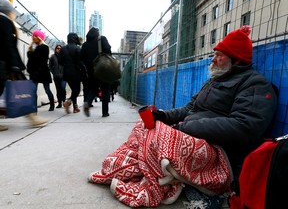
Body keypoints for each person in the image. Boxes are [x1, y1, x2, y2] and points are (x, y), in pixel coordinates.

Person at [87, 26, 278, 207]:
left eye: (219, 56)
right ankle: (131, 167)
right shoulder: (214, 81)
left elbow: (244, 126)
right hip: (194, 136)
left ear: (236, 60)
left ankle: (159, 181)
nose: (213, 59)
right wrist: (161, 116)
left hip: (221, 154)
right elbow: (188, 109)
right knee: (146, 126)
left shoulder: (255, 85)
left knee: (163, 139)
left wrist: (185, 128)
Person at [0, 0, 48, 131]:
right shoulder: (4, 21)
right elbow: (9, 46)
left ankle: (32, 117)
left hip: (7, 64)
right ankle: (32, 117)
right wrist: (16, 65)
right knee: (24, 91)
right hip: (7, 64)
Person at [80, 27, 112, 117]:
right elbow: (108, 50)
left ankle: (87, 102)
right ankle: (105, 112)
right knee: (105, 90)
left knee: (93, 89)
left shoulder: (85, 45)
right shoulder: (102, 39)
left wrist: (89, 65)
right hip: (104, 69)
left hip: (92, 71)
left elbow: (81, 58)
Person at [27, 30, 55, 111]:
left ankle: (52, 104)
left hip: (43, 72)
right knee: (33, 91)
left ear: (40, 38)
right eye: (33, 36)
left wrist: (38, 71)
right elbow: (30, 60)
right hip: (33, 72)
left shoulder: (45, 47)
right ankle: (33, 107)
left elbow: (44, 61)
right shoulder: (31, 47)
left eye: (36, 36)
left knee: (47, 89)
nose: (34, 37)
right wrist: (29, 70)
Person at [59, 33, 84, 114]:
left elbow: (60, 62)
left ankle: (75, 107)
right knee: (77, 90)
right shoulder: (77, 48)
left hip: (66, 72)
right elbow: (79, 62)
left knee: (74, 89)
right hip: (76, 72)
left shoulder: (62, 49)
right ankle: (68, 102)